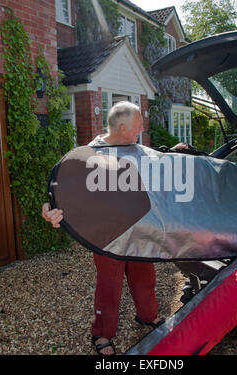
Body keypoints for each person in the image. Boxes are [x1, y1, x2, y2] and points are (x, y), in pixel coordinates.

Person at [42, 102, 168, 355]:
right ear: (122, 128)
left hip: (139, 231)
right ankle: (102, 333)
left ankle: (147, 316)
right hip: (107, 237)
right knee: (109, 286)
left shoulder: (141, 153)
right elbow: (59, 190)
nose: (142, 128)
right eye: (138, 125)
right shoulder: (86, 157)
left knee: (145, 278)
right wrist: (48, 208)